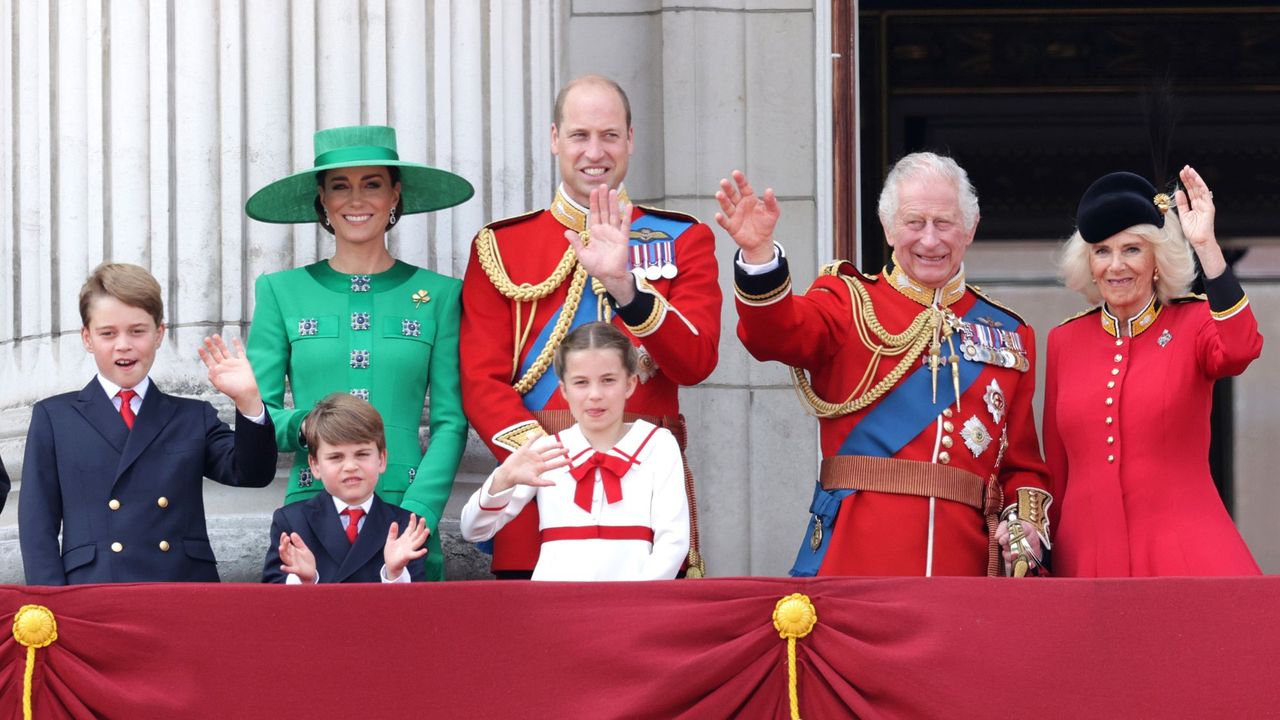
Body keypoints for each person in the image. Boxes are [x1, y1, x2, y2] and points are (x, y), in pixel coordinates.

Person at [721, 153, 1052, 577]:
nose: (930, 240)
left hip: (963, 570)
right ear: (889, 227)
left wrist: (1025, 523)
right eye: (915, 223)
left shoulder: (1010, 334)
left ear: (970, 228)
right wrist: (759, 256)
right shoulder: (847, 302)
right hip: (857, 562)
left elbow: (1022, 466)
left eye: (944, 223)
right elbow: (775, 334)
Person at [460, 75, 720, 578]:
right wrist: (547, 462)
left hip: (645, 493)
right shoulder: (501, 246)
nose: (594, 151)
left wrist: (627, 289)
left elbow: (696, 361)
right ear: (555, 138)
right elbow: (479, 381)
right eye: (580, 135)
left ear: (631, 139)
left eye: (609, 135)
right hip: (540, 497)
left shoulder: (683, 238)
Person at [244, 125, 472, 581]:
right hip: (311, 513)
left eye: (372, 184)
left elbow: (451, 421)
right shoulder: (280, 292)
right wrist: (308, 423)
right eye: (340, 186)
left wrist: (418, 511)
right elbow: (258, 414)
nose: (356, 199)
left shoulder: (441, 295)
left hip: (407, 518)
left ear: (395, 195)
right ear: (322, 200)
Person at [1044, 166, 1263, 576]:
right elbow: (1058, 470)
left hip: (1184, 553)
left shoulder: (1193, 322)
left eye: (1132, 249)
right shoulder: (1064, 342)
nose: (1115, 266)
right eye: (1102, 251)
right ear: (1088, 263)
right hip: (1086, 560)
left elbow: (1241, 348)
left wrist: (1206, 247)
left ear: (1157, 259)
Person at [19, 263, 277, 584]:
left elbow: (252, 473)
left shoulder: (192, 416)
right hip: (93, 590)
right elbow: (37, 524)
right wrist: (51, 606)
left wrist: (248, 401)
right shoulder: (54, 417)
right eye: (108, 333)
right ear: (87, 338)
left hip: (180, 589)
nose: (123, 344)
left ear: (159, 334)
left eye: (137, 331)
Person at [460, 322, 689, 580]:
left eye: (608, 380)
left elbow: (673, 541)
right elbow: (473, 530)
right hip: (555, 609)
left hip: (634, 608)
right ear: (564, 390)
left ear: (630, 384)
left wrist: (634, 604)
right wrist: (503, 478)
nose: (595, 394)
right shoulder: (547, 450)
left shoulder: (659, 445)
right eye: (581, 382)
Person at [262, 393, 429, 584]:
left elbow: (418, 608)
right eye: (336, 457)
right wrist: (306, 581)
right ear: (315, 465)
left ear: (382, 460)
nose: (350, 466)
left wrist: (395, 574)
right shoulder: (292, 522)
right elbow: (272, 601)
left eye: (362, 454)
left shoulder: (406, 525)